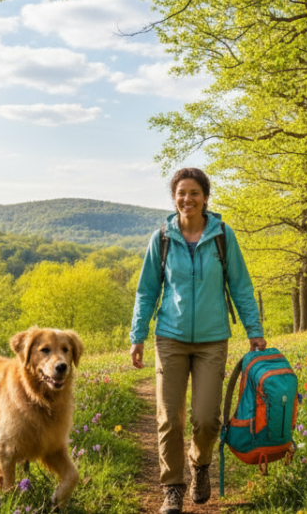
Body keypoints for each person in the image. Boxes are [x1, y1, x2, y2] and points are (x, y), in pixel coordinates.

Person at [130, 167, 266, 514]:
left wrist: (254, 330)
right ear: (173, 198)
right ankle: (172, 487)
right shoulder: (161, 237)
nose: (187, 199)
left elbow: (240, 285)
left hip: (212, 340)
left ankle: (200, 464)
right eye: (180, 193)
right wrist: (138, 335)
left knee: (206, 419)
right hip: (170, 338)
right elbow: (147, 291)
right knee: (169, 419)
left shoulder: (222, 236)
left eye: (194, 193)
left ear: (205, 197)